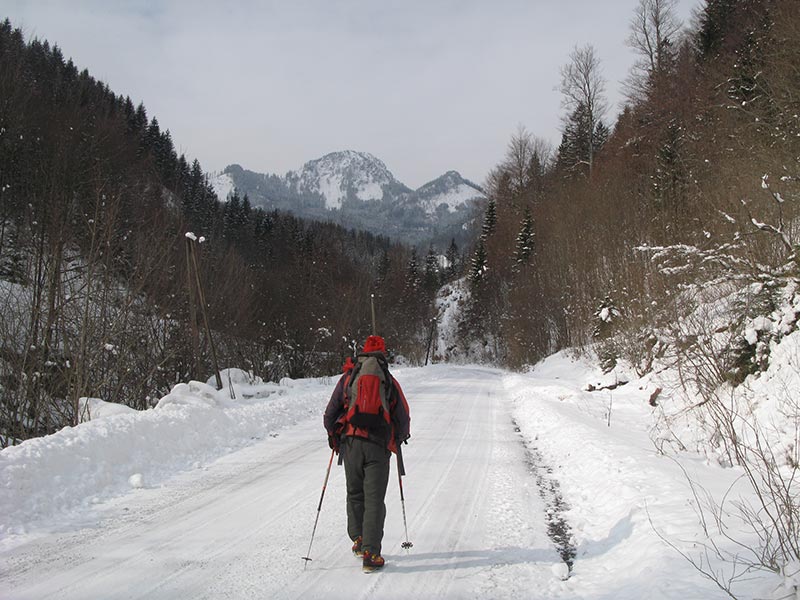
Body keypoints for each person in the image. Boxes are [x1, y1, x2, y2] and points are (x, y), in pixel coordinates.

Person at [324, 335, 410, 572]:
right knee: (374, 499)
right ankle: (371, 554)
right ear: (383, 355)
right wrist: (399, 439)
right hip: (377, 445)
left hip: (351, 443)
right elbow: (403, 416)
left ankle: (359, 539)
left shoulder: (348, 377)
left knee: (355, 493)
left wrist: (334, 437)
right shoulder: (388, 381)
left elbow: (330, 413)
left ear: (362, 353)